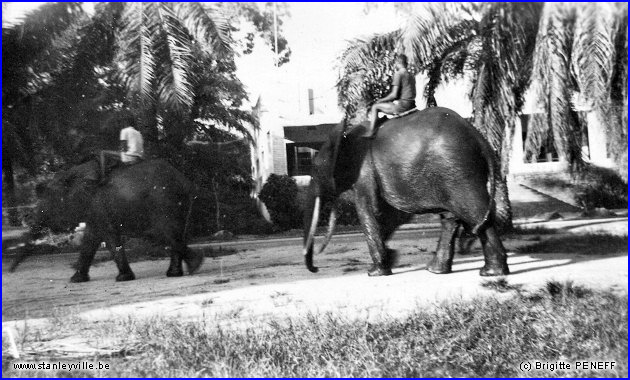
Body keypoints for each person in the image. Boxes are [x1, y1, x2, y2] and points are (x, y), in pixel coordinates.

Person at [364, 54, 417, 138]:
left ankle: (371, 132)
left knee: (375, 107)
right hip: (411, 104)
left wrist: (380, 100)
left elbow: (394, 94)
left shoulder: (398, 74)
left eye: (395, 63)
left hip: (402, 106)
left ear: (398, 63)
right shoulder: (411, 75)